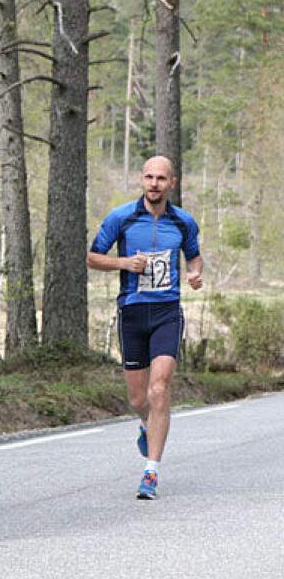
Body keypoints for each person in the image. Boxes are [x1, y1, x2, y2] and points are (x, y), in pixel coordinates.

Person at [86, 156, 204, 500]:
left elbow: (194, 255)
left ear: (172, 183)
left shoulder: (183, 222)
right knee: (139, 399)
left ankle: (151, 472)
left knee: (160, 388)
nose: (154, 184)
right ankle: (145, 423)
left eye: (161, 179)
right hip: (133, 313)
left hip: (167, 311)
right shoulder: (121, 217)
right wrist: (123, 262)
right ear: (142, 180)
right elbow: (93, 256)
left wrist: (195, 272)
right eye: (149, 177)